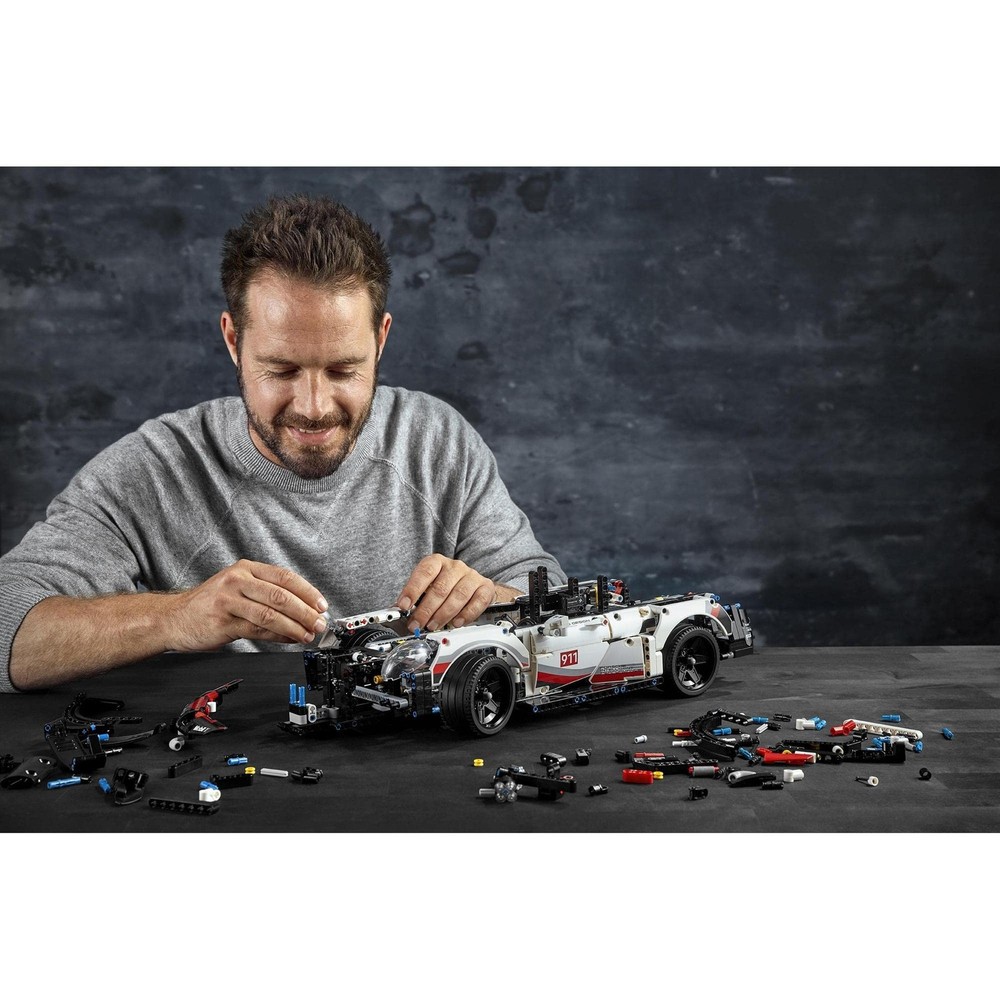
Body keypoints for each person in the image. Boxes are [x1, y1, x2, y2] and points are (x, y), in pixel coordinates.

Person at [0, 194, 564, 693]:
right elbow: (8, 624)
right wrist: (175, 617)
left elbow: (552, 596)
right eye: (281, 370)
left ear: (381, 339)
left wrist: (491, 599)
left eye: (343, 370)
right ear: (233, 340)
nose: (314, 407)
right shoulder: (153, 472)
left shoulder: (438, 443)